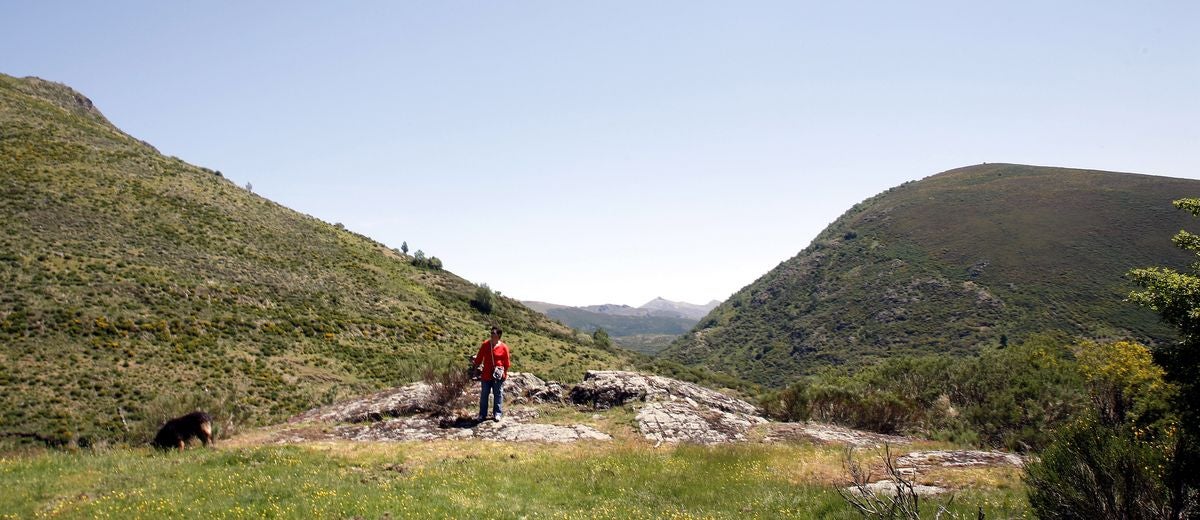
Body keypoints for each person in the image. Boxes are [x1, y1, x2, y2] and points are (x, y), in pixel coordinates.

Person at [473, 326, 510, 422]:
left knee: (498, 394)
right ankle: (482, 414)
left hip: (498, 375)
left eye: (494, 333)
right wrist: (476, 369)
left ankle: (497, 413)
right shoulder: (485, 345)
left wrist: (504, 374)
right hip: (486, 374)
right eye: (491, 333)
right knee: (484, 394)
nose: (492, 335)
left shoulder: (504, 347)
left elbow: (506, 363)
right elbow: (479, 357)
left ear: (499, 335)